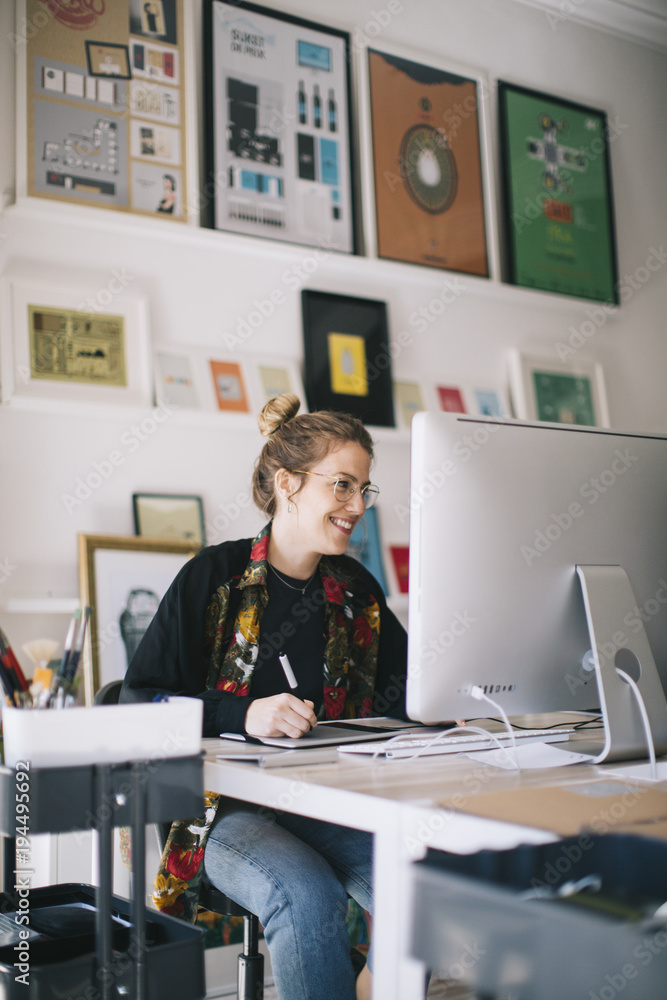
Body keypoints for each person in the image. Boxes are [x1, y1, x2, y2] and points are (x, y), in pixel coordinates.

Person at [121, 393, 409, 1000]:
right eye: (342, 485)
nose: (357, 506)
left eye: (364, 489)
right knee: (306, 895)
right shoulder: (213, 577)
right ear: (288, 483)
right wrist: (242, 714)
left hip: (329, 802)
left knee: (420, 876)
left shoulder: (355, 589)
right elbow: (137, 700)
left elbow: (406, 693)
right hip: (224, 811)